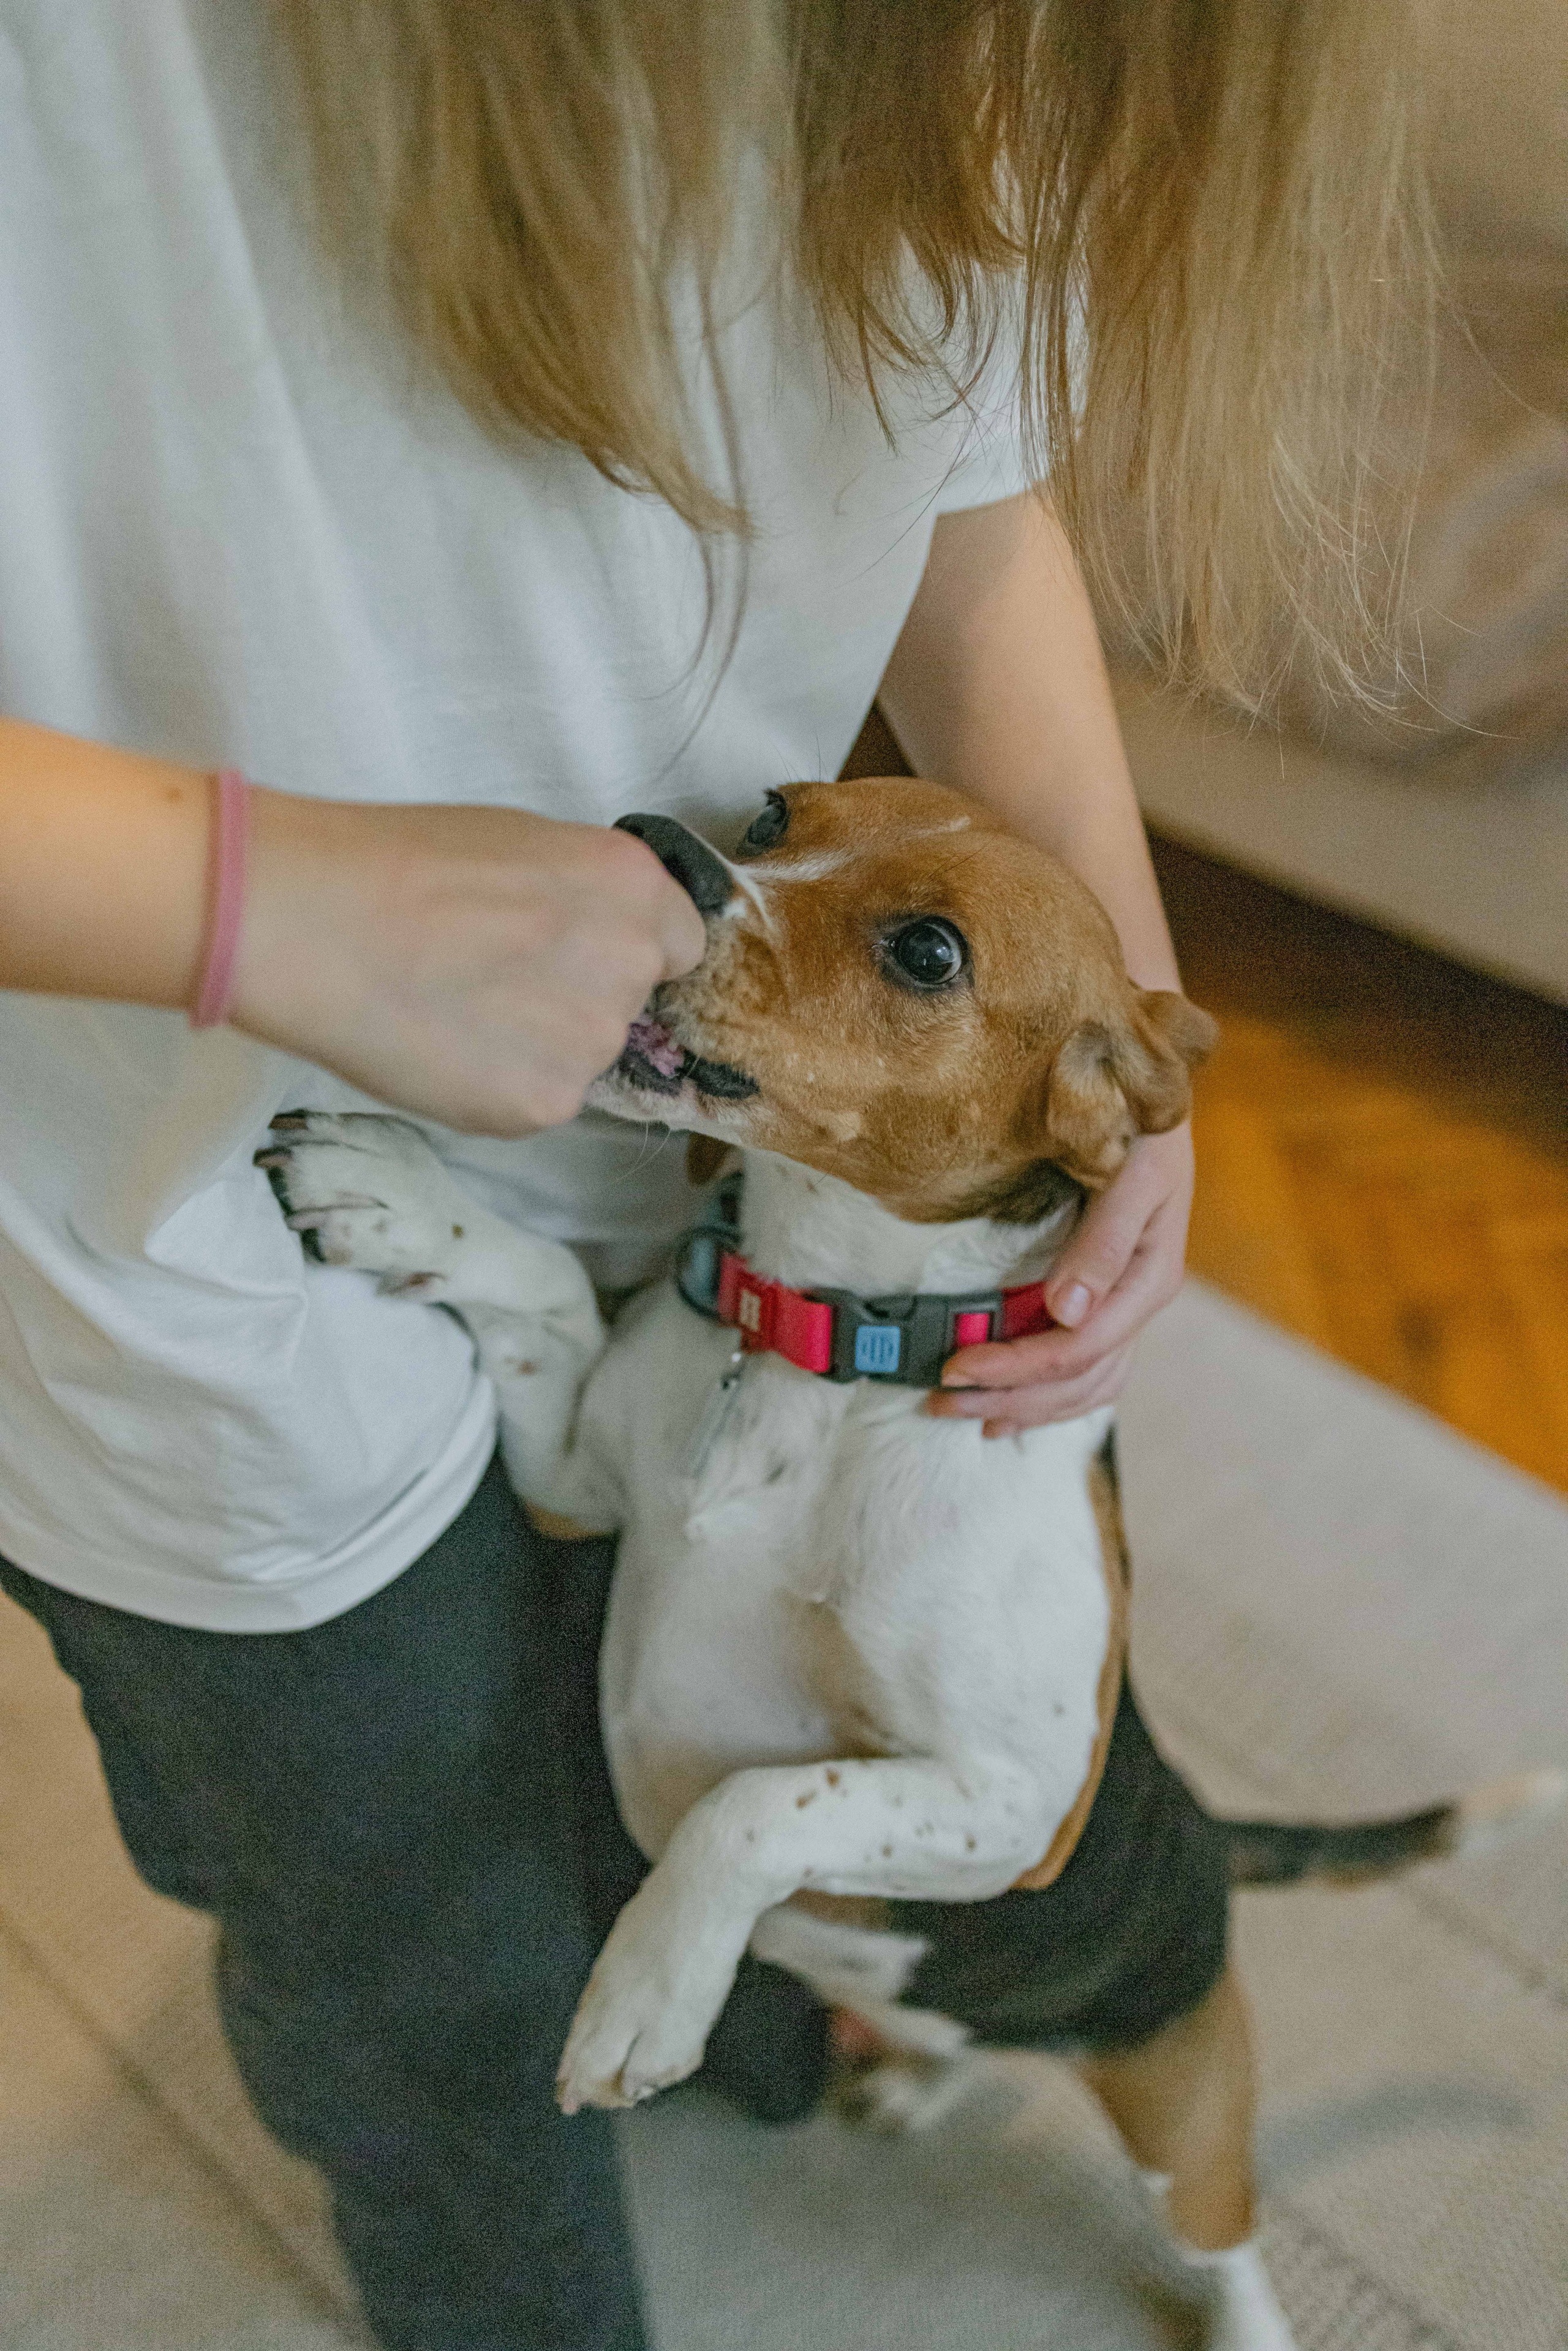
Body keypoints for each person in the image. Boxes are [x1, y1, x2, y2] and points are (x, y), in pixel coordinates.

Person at [0, 5, 1428, 2347]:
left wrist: (1131, 1004)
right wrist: (272, 901)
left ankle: (798, 2051)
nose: (715, 870)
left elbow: (966, 485)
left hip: (646, 1192)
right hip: (157, 1221)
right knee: (425, 1965)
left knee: (609, 1764)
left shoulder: (978, 49)